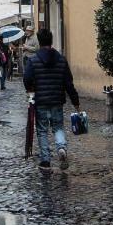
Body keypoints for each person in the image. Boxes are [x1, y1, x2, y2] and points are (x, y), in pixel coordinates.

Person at [23, 28, 80, 171]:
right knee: (58, 127)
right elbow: (68, 82)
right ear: (51, 41)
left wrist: (30, 90)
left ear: (40, 41)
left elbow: (27, 78)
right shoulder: (61, 59)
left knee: (42, 130)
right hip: (57, 100)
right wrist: (75, 101)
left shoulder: (33, 60)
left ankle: (46, 160)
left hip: (40, 100)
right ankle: (61, 147)